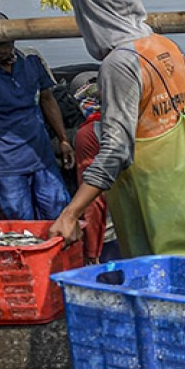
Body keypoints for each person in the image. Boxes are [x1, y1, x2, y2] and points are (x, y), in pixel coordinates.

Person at [50, 0, 185, 257]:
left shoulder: (120, 63)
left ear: (91, 12)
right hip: (184, 183)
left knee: (155, 282)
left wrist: (71, 212)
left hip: (149, 194)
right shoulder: (167, 46)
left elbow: (116, 150)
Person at [0, 10, 73, 221]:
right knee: (20, 221)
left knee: (57, 212)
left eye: (5, 44)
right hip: (5, 165)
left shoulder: (32, 58)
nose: (1, 50)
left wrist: (64, 140)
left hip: (41, 155)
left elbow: (48, 99)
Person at [63, 71, 110, 262]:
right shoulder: (134, 123)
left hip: (110, 232)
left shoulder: (88, 134)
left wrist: (91, 252)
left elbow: (93, 199)